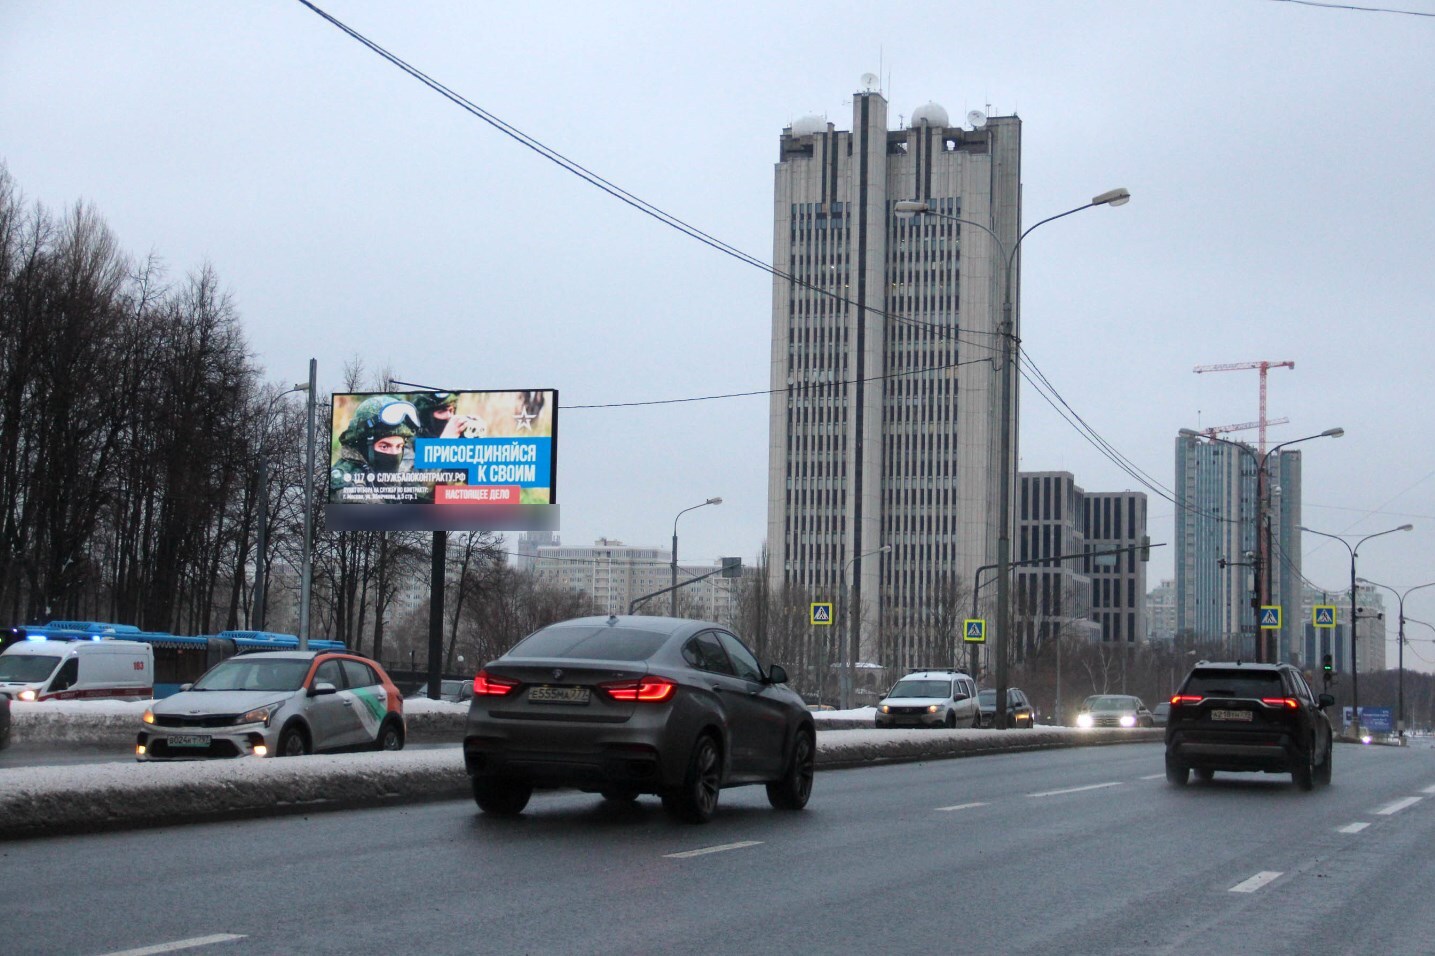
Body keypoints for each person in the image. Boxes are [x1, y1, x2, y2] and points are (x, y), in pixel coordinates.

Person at [330, 395, 420, 492]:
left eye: (399, 446)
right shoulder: (346, 484)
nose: (394, 453)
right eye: (384, 446)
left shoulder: (401, 473)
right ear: (363, 445)